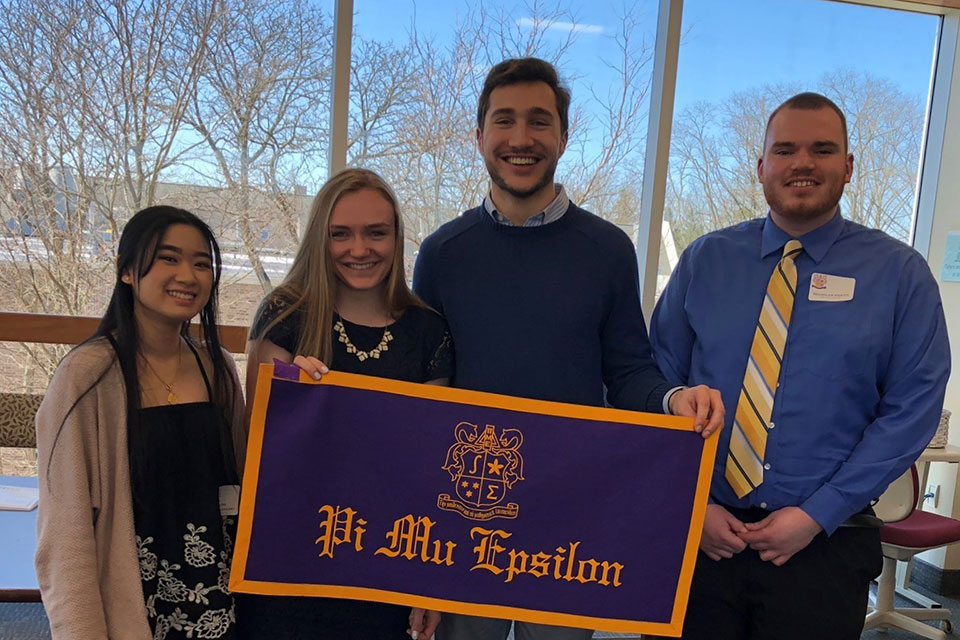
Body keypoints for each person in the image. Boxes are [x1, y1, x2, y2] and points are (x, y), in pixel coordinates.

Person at [412, 57, 724, 640]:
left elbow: (628, 368)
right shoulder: (441, 254)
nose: (521, 139)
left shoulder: (607, 250)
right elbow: (421, 386)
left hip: (567, 515)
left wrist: (672, 399)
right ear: (479, 136)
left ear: (562, 135)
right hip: (462, 513)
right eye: (504, 121)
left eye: (539, 121)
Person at [650, 92, 951, 639]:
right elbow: (656, 382)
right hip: (698, 534)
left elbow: (913, 409)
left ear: (849, 167)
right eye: (785, 150)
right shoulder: (705, 260)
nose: (803, 163)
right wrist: (688, 505)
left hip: (824, 545)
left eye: (822, 149)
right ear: (761, 166)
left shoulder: (899, 275)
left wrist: (817, 514)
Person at [242, 167, 449, 639]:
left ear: (396, 238)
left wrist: (428, 585)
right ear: (321, 238)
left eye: (376, 233)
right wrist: (299, 408)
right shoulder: (284, 314)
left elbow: (430, 471)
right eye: (341, 235)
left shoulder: (428, 331)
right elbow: (256, 451)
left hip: (384, 561)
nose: (360, 249)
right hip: (290, 556)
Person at [35, 206, 247, 639]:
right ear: (127, 270)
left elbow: (247, 485)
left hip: (220, 606)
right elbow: (65, 534)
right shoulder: (88, 374)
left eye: (201, 263)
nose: (187, 275)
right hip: (133, 608)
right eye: (168, 258)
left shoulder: (218, 367)